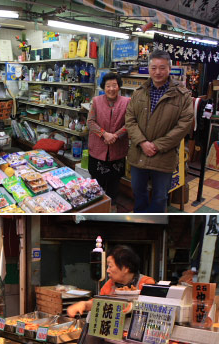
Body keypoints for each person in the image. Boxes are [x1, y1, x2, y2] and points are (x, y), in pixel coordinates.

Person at [125, 50, 194, 213]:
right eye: (154, 67)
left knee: (160, 197)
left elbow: (184, 125)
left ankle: (155, 227)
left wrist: (155, 146)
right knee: (138, 192)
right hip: (139, 154)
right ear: (149, 69)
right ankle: (141, 222)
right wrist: (142, 142)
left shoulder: (182, 95)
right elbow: (130, 119)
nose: (158, 72)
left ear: (169, 69)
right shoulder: (139, 92)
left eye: (162, 68)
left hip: (164, 156)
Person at [67, 244, 155, 317]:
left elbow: (153, 308)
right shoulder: (110, 284)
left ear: (125, 268)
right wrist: (85, 305)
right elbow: (99, 303)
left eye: (110, 266)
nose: (107, 270)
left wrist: (132, 307)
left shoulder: (147, 283)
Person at [87, 73, 130, 211]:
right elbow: (90, 122)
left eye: (114, 85)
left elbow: (129, 123)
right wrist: (104, 134)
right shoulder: (96, 101)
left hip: (117, 150)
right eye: (108, 86)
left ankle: (112, 208)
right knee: (96, 183)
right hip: (98, 149)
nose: (111, 88)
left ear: (119, 86)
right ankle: (96, 207)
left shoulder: (127, 102)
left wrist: (115, 136)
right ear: (103, 87)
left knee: (114, 183)